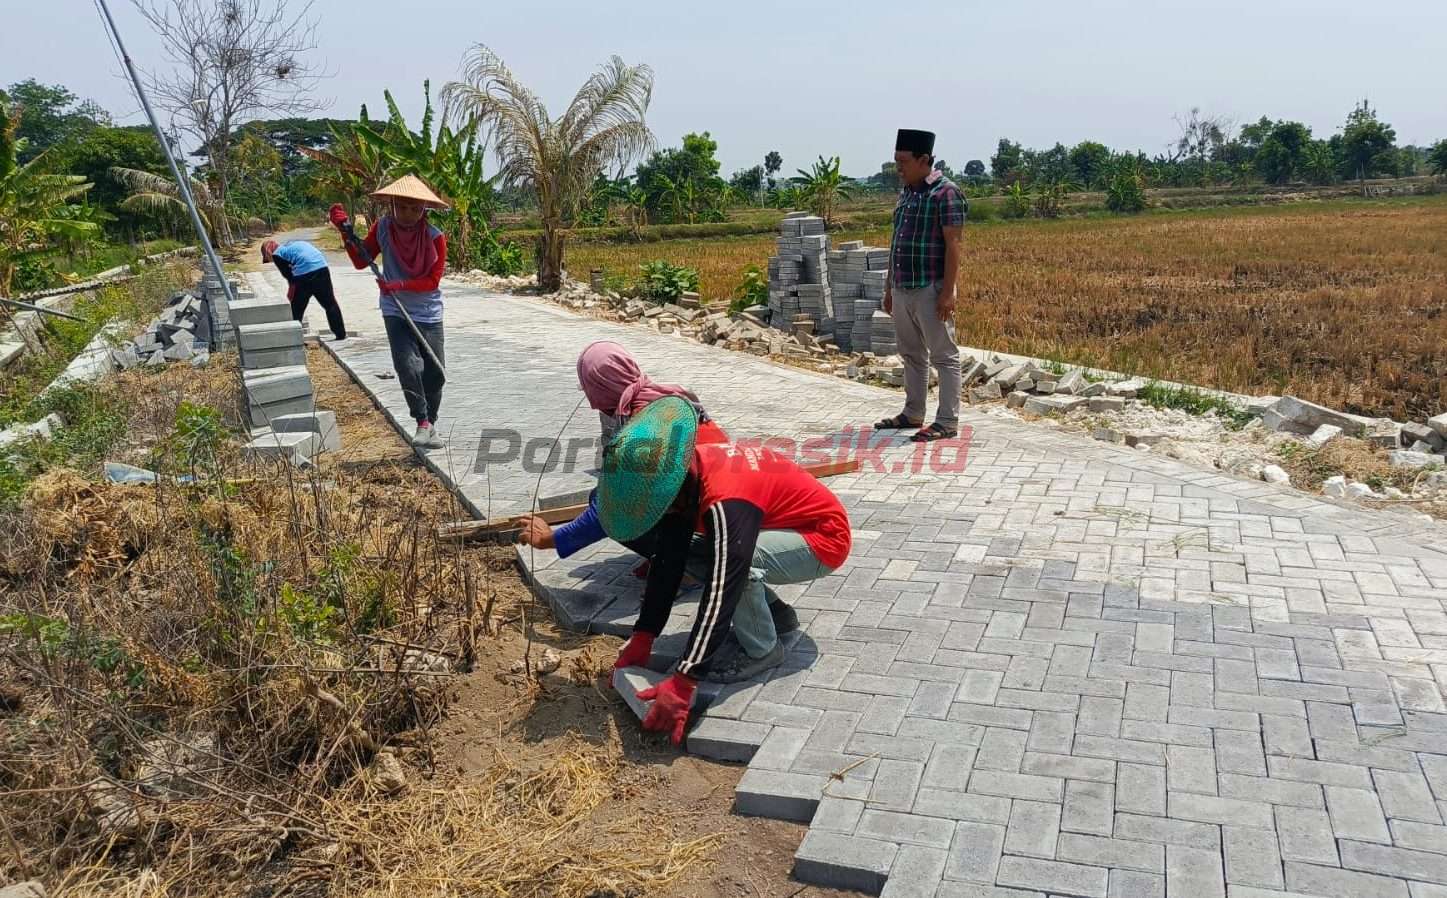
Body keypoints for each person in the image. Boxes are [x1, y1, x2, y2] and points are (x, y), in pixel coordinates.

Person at [515, 341, 798, 664]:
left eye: (590, 388)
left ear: (601, 388)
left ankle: (728, 595)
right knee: (637, 520)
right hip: (719, 507)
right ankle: (717, 579)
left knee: (628, 523)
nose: (591, 402)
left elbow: (611, 510)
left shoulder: (648, 427)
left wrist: (553, 538)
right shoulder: (660, 398)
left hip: (725, 518)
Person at [595, 396, 852, 741]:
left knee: (730, 566)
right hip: (781, 528)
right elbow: (669, 560)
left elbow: (723, 585)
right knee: (691, 553)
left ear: (674, 488)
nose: (663, 513)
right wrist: (646, 633)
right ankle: (776, 616)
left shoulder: (724, 499)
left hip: (822, 539)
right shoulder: (685, 472)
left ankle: (763, 649)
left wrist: (686, 678)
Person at [328, 175, 449, 449]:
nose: (408, 215)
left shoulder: (435, 237)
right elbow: (361, 260)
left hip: (427, 310)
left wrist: (399, 283)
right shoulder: (382, 228)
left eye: (415, 209)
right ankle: (422, 422)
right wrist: (345, 233)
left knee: (435, 371)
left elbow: (433, 280)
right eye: (402, 208)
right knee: (407, 365)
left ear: (424, 210)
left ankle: (433, 421)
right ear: (392, 205)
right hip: (395, 308)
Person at [875, 128, 966, 443]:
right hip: (903, 287)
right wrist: (889, 288)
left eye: (903, 161)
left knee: (944, 355)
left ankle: (947, 421)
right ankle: (913, 412)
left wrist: (947, 292)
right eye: (896, 161)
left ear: (924, 159)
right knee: (911, 353)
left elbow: (953, 245)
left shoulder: (946, 193)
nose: (898, 168)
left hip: (930, 287)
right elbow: (896, 242)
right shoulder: (907, 193)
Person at [260, 239, 347, 341]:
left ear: (267, 252)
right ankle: (340, 334)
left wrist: (291, 294)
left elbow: (289, 276)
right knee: (330, 304)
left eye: (267, 259)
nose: (271, 261)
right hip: (322, 268)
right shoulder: (292, 246)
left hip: (304, 275)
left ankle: (294, 339)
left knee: (296, 309)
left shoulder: (277, 254)